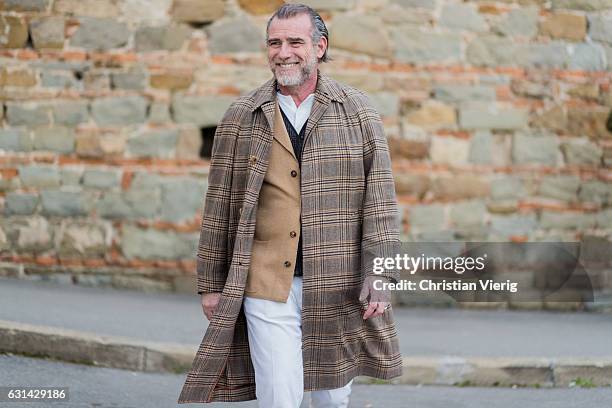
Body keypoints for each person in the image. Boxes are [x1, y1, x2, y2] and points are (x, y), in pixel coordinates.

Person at [178, 3, 402, 407]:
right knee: (279, 395)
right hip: (265, 282)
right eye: (275, 43)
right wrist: (211, 284)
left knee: (331, 399)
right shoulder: (241, 116)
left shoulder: (359, 112)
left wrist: (381, 274)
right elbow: (219, 208)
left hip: (337, 283)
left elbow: (380, 203)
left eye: (295, 42)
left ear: (319, 47)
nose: (284, 52)